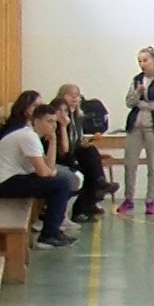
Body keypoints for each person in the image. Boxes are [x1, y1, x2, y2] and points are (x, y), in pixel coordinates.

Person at [0, 104, 79, 249]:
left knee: (61, 182)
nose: (53, 126)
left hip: (13, 178)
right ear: (36, 121)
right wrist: (51, 173)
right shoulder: (29, 137)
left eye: (55, 121)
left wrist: (53, 141)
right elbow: (44, 172)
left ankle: (51, 228)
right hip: (3, 183)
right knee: (61, 184)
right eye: (49, 121)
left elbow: (49, 167)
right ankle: (48, 235)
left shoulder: (32, 136)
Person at [116, 46, 154, 216]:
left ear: (153, 59)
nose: (142, 64)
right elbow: (129, 102)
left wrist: (140, 104)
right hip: (135, 125)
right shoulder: (137, 80)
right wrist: (137, 93)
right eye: (140, 61)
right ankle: (128, 199)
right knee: (130, 163)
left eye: (145, 60)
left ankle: (150, 200)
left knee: (152, 164)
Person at [54, 83, 114, 220]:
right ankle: (91, 195)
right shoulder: (59, 117)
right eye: (70, 95)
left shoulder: (77, 117)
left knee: (90, 152)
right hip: (60, 156)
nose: (74, 98)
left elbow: (75, 139)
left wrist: (82, 143)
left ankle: (91, 199)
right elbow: (63, 148)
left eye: (77, 95)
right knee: (86, 170)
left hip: (73, 152)